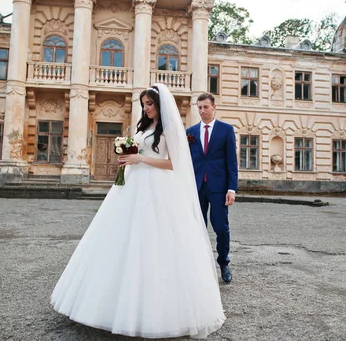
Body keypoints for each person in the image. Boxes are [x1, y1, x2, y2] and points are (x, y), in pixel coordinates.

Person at [51, 84, 225, 339]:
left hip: (158, 189)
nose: (146, 108)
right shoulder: (144, 127)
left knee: (155, 241)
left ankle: (156, 310)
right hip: (132, 185)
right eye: (144, 104)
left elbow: (174, 163)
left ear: (160, 105)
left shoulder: (171, 130)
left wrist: (140, 159)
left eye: (150, 104)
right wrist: (128, 155)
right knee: (118, 237)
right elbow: (139, 151)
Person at [186, 93, 238, 283]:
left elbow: (232, 162)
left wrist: (232, 189)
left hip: (218, 188)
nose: (202, 111)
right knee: (197, 228)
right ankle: (199, 266)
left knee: (221, 228)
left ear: (214, 107)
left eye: (205, 107)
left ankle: (224, 263)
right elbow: (187, 161)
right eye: (199, 107)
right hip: (197, 188)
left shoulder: (226, 130)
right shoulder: (190, 132)